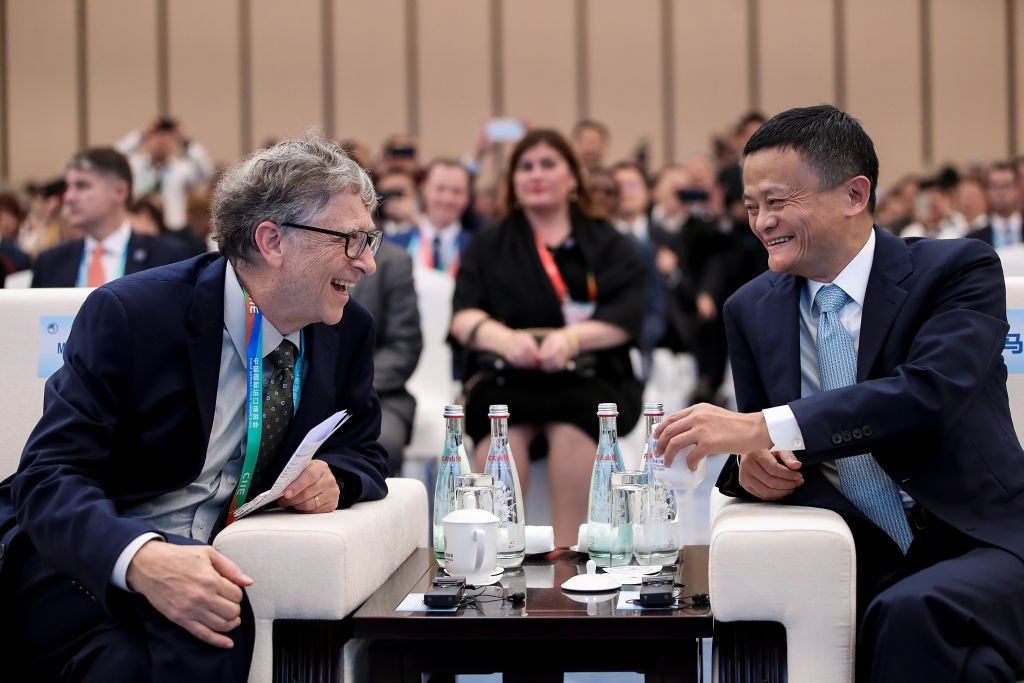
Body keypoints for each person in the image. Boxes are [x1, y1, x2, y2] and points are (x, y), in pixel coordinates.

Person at [654, 105, 1024, 682]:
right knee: (960, 657)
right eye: (752, 207)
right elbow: (759, 445)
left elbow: (928, 394)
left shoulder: (956, 271)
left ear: (854, 195)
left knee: (914, 613)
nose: (760, 222)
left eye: (777, 202)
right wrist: (750, 469)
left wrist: (759, 429)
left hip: (982, 536)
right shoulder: (749, 309)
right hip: (856, 551)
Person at [0, 136, 390, 681]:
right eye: (350, 240)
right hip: (88, 561)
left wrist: (337, 478)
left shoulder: (345, 331)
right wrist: (141, 558)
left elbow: (365, 452)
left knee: (176, 635)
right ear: (273, 240)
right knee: (215, 617)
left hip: (208, 561)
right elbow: (47, 477)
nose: (367, 263)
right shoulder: (133, 314)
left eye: (369, 239)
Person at [450, 128, 645, 547]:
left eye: (548, 164)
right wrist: (504, 340)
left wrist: (573, 340)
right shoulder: (489, 244)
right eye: (526, 166)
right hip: (506, 380)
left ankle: (566, 561)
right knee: (499, 435)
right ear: (513, 181)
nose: (536, 174)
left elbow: (627, 315)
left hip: (585, 378)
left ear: (573, 177)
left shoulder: (608, 243)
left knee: (575, 426)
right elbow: (463, 316)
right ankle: (494, 559)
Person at [31, 147, 191, 287]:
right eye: (69, 187)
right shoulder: (50, 263)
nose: (68, 197)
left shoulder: (166, 259)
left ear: (119, 192)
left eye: (82, 186)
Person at [350, 239, 423, 475]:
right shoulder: (307, 255)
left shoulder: (394, 261)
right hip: (306, 393)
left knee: (380, 444)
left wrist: (349, 387)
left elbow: (405, 346)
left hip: (379, 395)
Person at [116, 117, 216, 233]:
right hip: (140, 226)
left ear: (174, 143)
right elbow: (114, 156)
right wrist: (141, 135)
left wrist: (185, 141)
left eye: (167, 138)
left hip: (173, 228)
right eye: (156, 137)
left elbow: (206, 171)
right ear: (148, 140)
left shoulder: (182, 169)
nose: (161, 143)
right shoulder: (135, 165)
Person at [385, 159, 474, 274]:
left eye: (456, 191)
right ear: (424, 189)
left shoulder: (477, 249)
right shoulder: (393, 244)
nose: (447, 199)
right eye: (440, 188)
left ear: (467, 197)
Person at [967, 162, 1022, 247]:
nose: (1001, 192)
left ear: (1018, 189)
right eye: (994, 186)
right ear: (986, 191)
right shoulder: (974, 240)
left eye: (1007, 185)